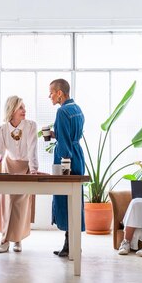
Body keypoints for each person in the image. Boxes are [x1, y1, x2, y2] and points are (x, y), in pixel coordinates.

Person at [0, 95, 38, 253]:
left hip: (25, 167)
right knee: (9, 202)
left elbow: (32, 149)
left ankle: (17, 239)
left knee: (21, 205)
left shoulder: (31, 126)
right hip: (9, 167)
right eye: (21, 108)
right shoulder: (2, 129)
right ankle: (4, 239)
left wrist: (33, 170)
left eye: (24, 107)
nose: (24, 111)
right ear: (12, 110)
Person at [49, 78, 86, 258]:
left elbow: (64, 143)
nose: (50, 97)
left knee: (64, 200)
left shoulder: (62, 112)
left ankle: (70, 245)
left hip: (67, 159)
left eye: (51, 93)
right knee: (75, 201)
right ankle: (71, 244)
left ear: (60, 93)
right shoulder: (77, 109)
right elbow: (71, 135)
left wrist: (64, 166)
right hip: (78, 154)